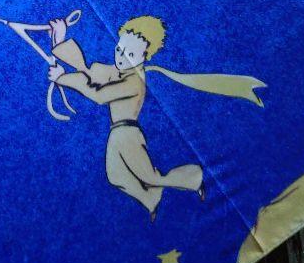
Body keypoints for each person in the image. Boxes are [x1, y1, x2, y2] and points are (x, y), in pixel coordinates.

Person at [48, 15, 265, 219]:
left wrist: (63, 79)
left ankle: (194, 177)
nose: (121, 58)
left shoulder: (134, 82)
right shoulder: (118, 71)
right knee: (116, 177)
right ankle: (151, 198)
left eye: (130, 55)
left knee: (149, 177)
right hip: (117, 133)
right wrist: (60, 40)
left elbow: (99, 95)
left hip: (127, 134)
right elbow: (87, 70)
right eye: (120, 50)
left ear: (144, 57)